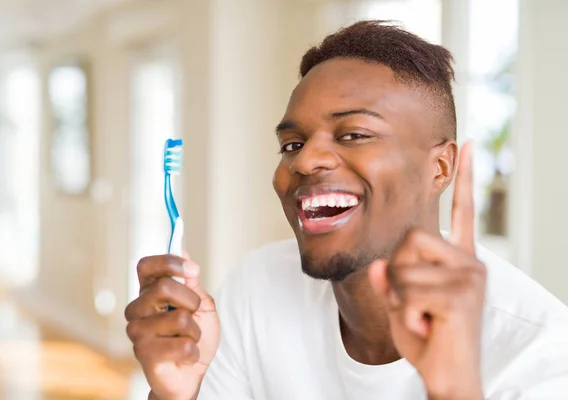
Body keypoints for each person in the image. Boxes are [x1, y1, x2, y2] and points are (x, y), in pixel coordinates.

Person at [125, 20, 568, 400]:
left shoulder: (539, 351)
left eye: (353, 134)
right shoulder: (256, 288)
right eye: (291, 144)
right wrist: (177, 395)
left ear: (440, 166)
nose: (304, 160)